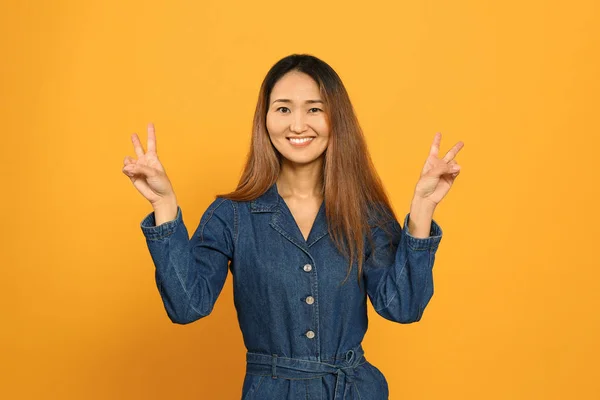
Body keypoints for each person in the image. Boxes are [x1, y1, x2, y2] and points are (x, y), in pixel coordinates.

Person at [122, 54, 464, 400]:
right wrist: (163, 205)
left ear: (336, 119)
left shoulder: (364, 213)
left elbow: (403, 307)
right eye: (283, 109)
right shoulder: (232, 215)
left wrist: (423, 208)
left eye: (314, 109)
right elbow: (187, 305)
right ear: (265, 119)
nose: (297, 124)